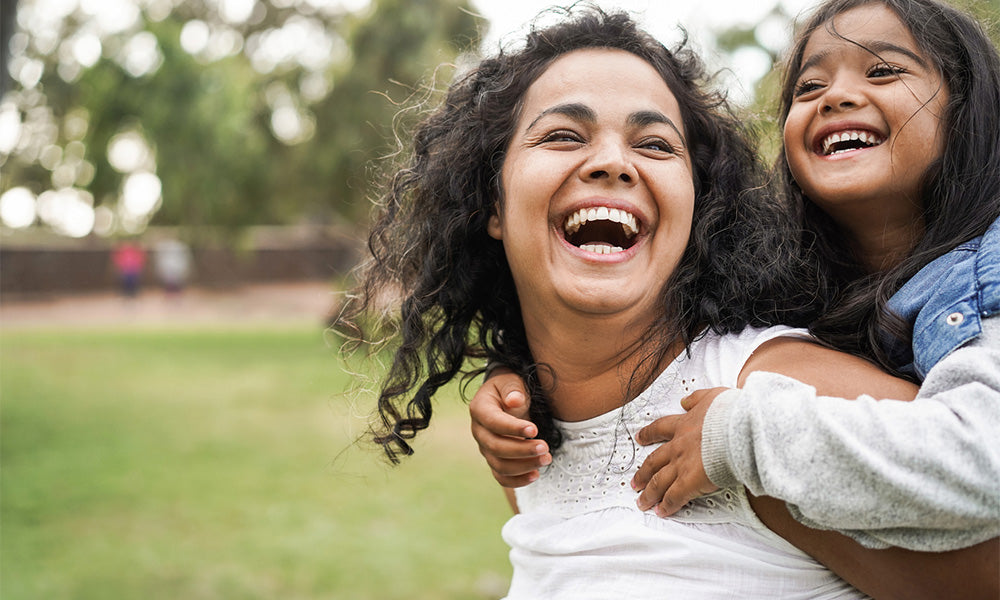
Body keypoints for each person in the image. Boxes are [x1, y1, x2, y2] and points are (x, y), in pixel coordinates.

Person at [339, 6, 993, 598]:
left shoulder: (773, 405)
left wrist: (746, 439)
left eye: (654, 145)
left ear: (697, 210)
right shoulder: (527, 443)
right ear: (492, 204)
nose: (612, 162)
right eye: (564, 135)